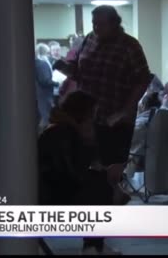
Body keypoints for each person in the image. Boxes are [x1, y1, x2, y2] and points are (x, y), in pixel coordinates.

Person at [55, 5, 152, 168]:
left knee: (110, 170)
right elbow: (78, 72)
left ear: (115, 24)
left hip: (114, 120)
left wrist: (124, 111)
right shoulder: (89, 39)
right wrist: (64, 68)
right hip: (85, 118)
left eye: (101, 24)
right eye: (94, 23)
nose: (96, 28)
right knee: (82, 166)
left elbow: (142, 80)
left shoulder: (129, 45)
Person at [38, 91, 128, 255]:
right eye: (93, 112)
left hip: (50, 190)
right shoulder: (65, 133)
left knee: (100, 185)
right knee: (100, 188)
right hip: (56, 195)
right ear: (85, 112)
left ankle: (94, 245)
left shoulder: (58, 129)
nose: (95, 117)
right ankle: (93, 246)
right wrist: (89, 144)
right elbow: (72, 173)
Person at [125, 92, 162, 179]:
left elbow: (127, 141)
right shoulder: (162, 121)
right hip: (157, 161)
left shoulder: (141, 123)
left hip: (137, 161)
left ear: (143, 105)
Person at [35, 43, 59, 132]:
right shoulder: (42, 64)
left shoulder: (38, 63)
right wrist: (57, 83)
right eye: (48, 52)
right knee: (45, 117)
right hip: (45, 94)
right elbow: (45, 80)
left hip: (42, 93)